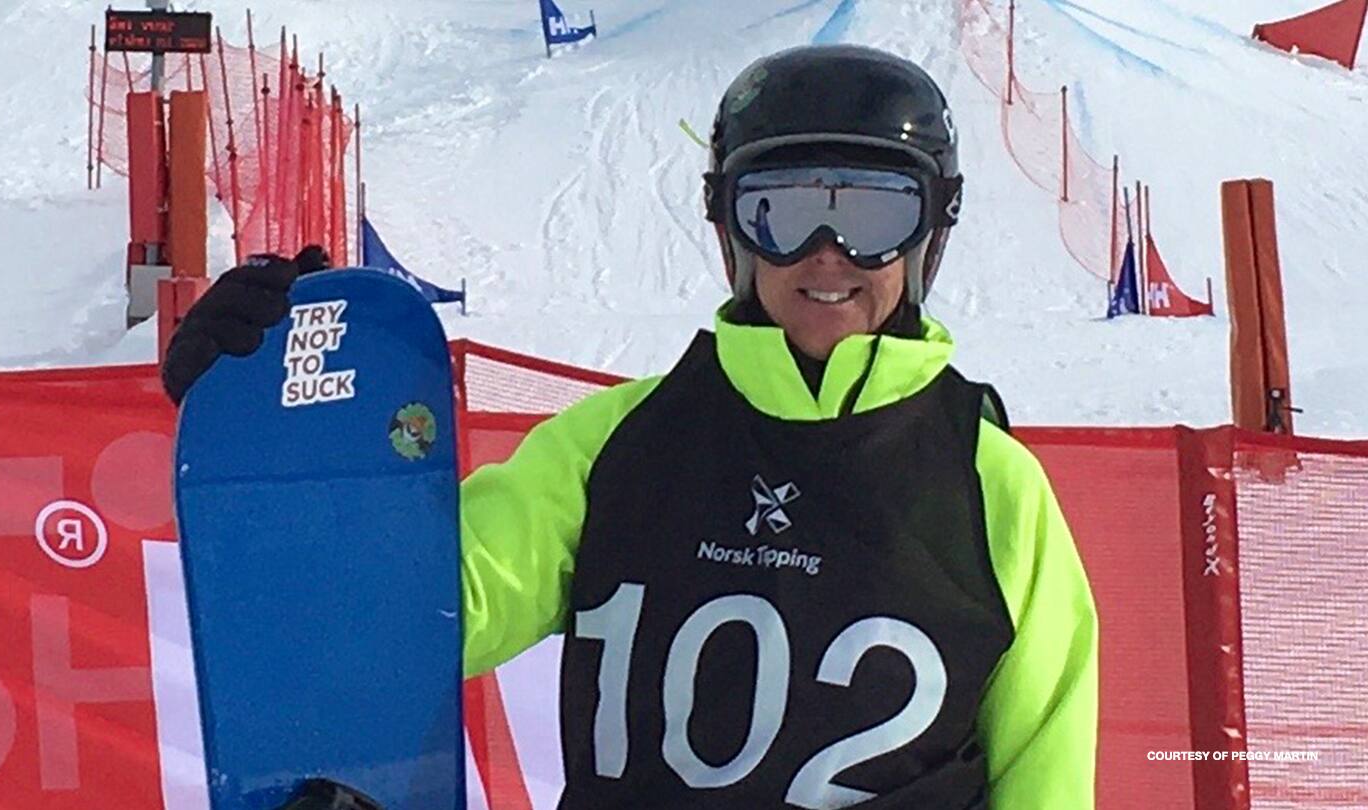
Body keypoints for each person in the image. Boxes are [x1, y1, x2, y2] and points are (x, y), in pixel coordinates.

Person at [162, 44, 1098, 810]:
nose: (828, 256)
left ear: (934, 228)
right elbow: (410, 617)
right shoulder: (619, 445)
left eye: (873, 211)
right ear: (728, 229)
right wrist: (291, 444)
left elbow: (1045, 770)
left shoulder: (990, 486)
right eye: (780, 212)